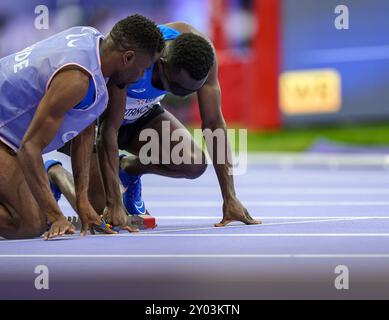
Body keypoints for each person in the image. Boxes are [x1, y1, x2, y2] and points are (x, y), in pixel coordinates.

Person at [0, 15, 165, 240]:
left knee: (34, 211)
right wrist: (56, 216)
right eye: (143, 68)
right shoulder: (76, 79)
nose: (141, 76)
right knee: (29, 223)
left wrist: (83, 202)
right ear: (128, 58)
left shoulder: (91, 42)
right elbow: (29, 149)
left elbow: (84, 131)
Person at [47, 22, 261, 229]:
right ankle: (56, 173)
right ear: (161, 62)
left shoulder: (203, 56)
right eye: (174, 87)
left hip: (140, 114)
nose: (182, 95)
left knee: (193, 163)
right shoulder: (135, 57)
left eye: (189, 91)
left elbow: (214, 124)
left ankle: (127, 169)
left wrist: (230, 197)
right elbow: (108, 131)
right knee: (101, 211)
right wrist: (115, 203)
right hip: (93, 121)